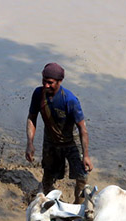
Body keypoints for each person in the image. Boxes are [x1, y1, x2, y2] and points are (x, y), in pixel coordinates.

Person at [25, 62, 93, 204]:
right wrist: (30, 143)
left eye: (50, 82)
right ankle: (47, 201)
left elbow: (82, 129)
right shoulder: (38, 94)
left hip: (71, 141)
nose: (46, 85)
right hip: (51, 141)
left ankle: (78, 205)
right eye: (44, 81)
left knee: (82, 176)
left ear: (60, 81)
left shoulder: (70, 100)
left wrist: (86, 155)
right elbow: (32, 118)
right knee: (49, 173)